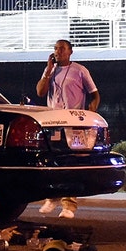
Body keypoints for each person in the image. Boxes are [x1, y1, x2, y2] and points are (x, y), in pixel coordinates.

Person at [35, 39, 100, 219]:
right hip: (53, 122)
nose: (58, 52)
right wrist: (48, 70)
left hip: (73, 122)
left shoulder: (80, 70)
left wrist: (90, 112)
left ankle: (69, 205)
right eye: (55, 49)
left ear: (70, 51)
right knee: (52, 159)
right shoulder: (50, 70)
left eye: (62, 49)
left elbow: (94, 94)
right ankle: (52, 196)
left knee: (71, 161)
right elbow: (40, 92)